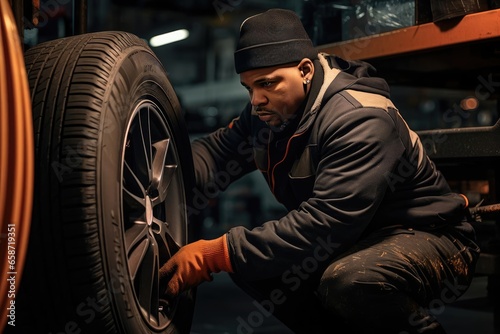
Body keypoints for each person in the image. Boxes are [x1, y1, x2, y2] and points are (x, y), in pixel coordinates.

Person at [159, 8, 480, 334]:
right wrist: (151, 172)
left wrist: (215, 254)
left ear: (305, 70)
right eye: (248, 88)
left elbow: (327, 223)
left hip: (432, 238)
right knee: (254, 265)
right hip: (357, 239)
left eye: (267, 84)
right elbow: (213, 157)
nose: (256, 100)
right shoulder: (266, 113)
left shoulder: (358, 118)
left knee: (350, 280)